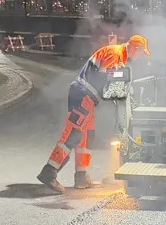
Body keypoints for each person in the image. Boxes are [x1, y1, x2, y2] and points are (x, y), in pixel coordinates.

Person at [37, 34, 150, 193]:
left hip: (87, 96)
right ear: (134, 48)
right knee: (73, 134)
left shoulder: (119, 55)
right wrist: (115, 94)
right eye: (141, 52)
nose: (140, 56)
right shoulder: (115, 54)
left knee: (86, 136)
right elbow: (104, 79)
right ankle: (49, 172)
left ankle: (81, 177)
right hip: (82, 94)